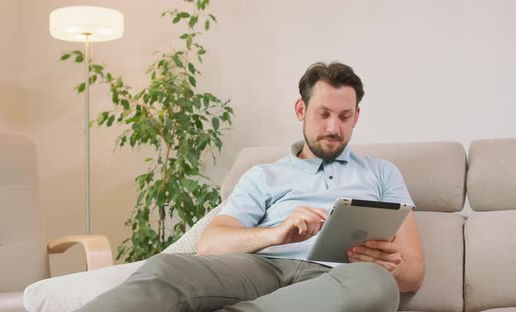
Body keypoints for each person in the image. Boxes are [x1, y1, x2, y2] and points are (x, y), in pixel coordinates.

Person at [78, 62, 424, 312]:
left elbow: (414, 273)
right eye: (323, 114)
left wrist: (390, 265)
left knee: (377, 286)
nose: (334, 128)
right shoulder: (263, 175)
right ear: (301, 109)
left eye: (345, 117)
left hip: (338, 281)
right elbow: (211, 244)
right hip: (262, 268)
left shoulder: (382, 173)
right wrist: (275, 234)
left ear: (356, 117)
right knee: (168, 269)